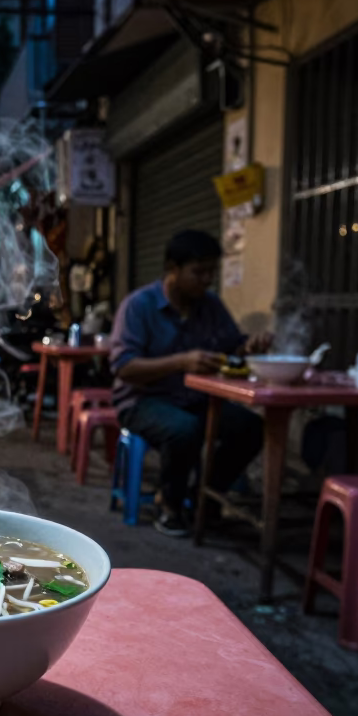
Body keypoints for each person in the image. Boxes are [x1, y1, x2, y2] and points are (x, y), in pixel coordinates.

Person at [110, 229, 272, 538]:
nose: (207, 279)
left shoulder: (209, 305)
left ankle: (203, 499)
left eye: (211, 271)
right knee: (184, 429)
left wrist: (250, 346)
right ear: (172, 268)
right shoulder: (138, 306)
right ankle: (168, 504)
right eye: (199, 271)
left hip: (195, 399)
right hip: (141, 401)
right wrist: (182, 362)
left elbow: (231, 345)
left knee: (250, 428)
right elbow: (124, 367)